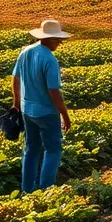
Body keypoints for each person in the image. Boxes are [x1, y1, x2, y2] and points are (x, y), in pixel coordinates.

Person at [12, 19, 73, 193]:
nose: (60, 42)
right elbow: (54, 92)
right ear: (47, 39)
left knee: (31, 150)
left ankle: (27, 190)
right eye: (56, 38)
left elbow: (15, 79)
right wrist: (65, 115)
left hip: (27, 110)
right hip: (46, 112)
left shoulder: (25, 52)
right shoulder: (50, 60)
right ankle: (46, 190)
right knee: (53, 149)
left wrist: (16, 103)